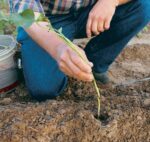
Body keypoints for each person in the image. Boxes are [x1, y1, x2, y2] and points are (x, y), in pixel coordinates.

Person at [10, 0, 150, 100]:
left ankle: (95, 63)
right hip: (47, 19)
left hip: (93, 9)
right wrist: (58, 48)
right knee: (44, 89)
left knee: (143, 6)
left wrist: (111, 2)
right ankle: (30, 59)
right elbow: (25, 10)